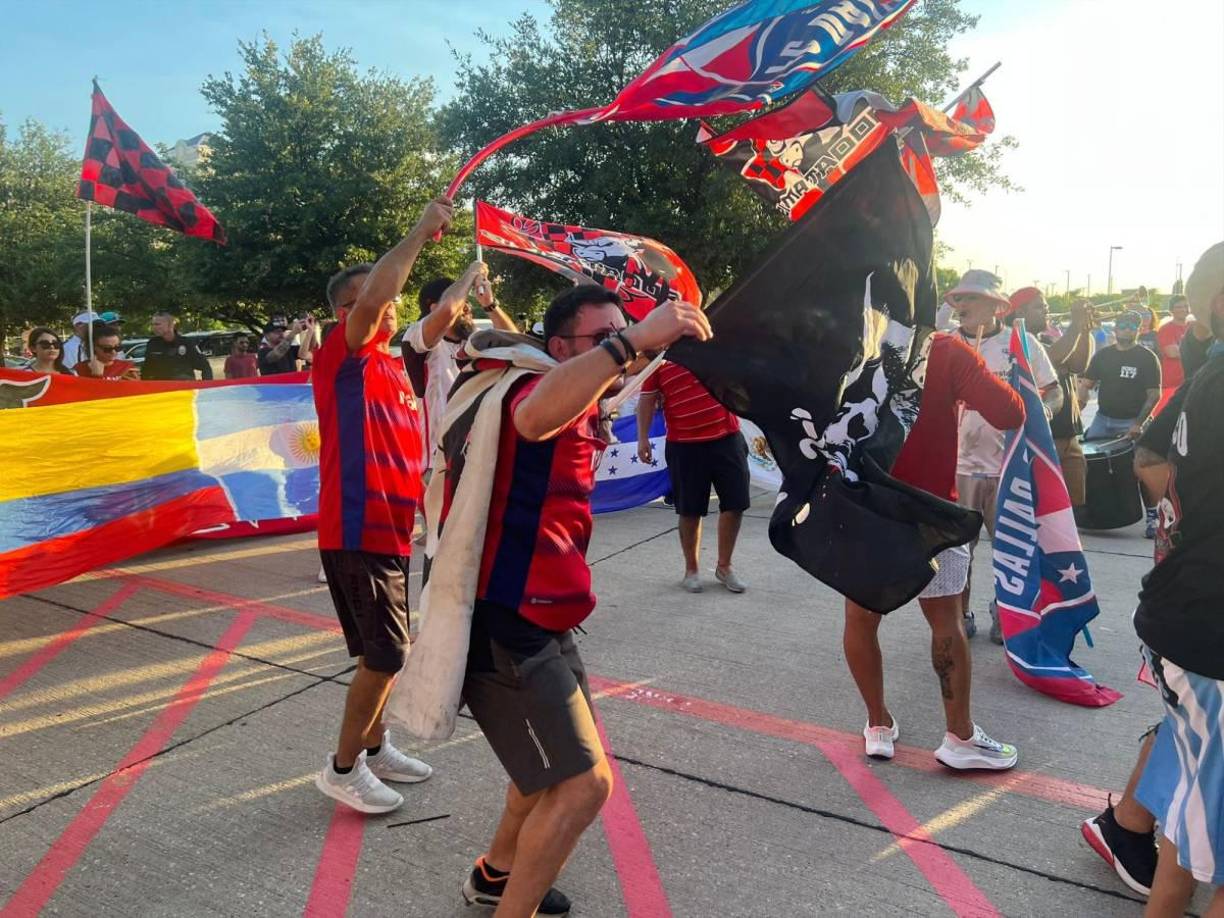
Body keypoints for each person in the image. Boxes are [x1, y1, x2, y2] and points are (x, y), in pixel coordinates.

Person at [450, 285, 710, 917]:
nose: (618, 347)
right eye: (603, 338)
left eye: (621, 332)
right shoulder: (521, 387)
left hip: (550, 609)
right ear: (561, 346)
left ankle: (495, 876)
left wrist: (641, 349)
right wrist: (633, 342)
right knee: (583, 785)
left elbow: (592, 396)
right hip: (508, 617)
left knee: (546, 769)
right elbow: (534, 417)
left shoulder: (577, 386)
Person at [310, 198, 453, 814]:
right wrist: (419, 232)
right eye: (377, 299)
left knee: (383, 652)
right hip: (357, 527)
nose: (390, 305)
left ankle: (374, 747)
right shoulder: (342, 359)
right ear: (348, 311)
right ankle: (342, 768)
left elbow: (434, 324)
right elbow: (374, 300)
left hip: (393, 530)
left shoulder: (393, 369)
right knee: (386, 653)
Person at [845, 332, 1024, 767]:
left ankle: (878, 725)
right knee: (946, 618)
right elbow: (1009, 412)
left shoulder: (849, 340)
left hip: (865, 506)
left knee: (861, 618)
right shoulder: (944, 348)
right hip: (930, 509)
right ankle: (959, 737)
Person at [1129, 242, 1224, 916]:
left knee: (1194, 815)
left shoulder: (1205, 378)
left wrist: (1191, 512)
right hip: (1208, 630)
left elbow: (1148, 455)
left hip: (1185, 620)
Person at [946, 269, 1061, 643]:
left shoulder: (1021, 343)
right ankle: (960, 613)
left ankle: (1007, 613)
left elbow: (1054, 392)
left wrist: (1041, 416)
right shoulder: (944, 344)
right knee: (957, 551)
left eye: (971, 298)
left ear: (996, 306)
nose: (962, 305)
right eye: (959, 299)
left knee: (1011, 549)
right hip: (958, 468)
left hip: (1010, 468)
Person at [635, 361, 750, 593]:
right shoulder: (661, 360)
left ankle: (724, 567)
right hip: (684, 446)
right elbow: (646, 399)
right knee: (690, 510)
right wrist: (642, 438)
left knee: (735, 504)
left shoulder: (713, 349)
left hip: (727, 437)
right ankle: (691, 570)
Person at [401, 272, 518, 466]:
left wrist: (489, 304)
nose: (467, 307)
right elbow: (447, 312)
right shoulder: (416, 340)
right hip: (437, 464)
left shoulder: (473, 340)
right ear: (434, 308)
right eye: (460, 301)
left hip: (475, 460)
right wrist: (472, 270)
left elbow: (516, 345)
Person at [1079, 310, 1163, 536]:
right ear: (1115, 328)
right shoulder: (1103, 356)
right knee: (1084, 462)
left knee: (1141, 467)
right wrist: (1078, 406)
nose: (1127, 328)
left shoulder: (1146, 357)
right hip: (1103, 419)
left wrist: (1138, 423)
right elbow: (1085, 384)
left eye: (1132, 325)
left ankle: (1153, 516)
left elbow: (1154, 395)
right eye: (1123, 324)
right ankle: (1087, 511)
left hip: (1132, 421)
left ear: (1139, 329)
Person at [1008, 289, 1093, 508]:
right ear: (1020, 311)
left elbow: (1078, 365)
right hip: (1044, 438)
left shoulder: (1046, 340)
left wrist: (1084, 329)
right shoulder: (1016, 343)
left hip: (1069, 435)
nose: (1047, 311)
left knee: (1071, 507)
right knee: (1044, 508)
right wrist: (1074, 326)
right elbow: (1055, 358)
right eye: (1040, 306)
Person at [141, 312, 214, 381]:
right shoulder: (152, 344)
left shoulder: (186, 343)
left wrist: (206, 387)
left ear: (171, 325)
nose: (154, 327)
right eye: (152, 324)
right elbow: (146, 371)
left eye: (157, 324)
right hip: (162, 390)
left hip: (183, 390)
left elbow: (205, 366)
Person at [1155, 295, 1191, 398]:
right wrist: (1197, 350)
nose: (1183, 309)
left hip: (1191, 381)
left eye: (1186, 306)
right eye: (1179, 307)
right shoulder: (1166, 329)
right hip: (1171, 382)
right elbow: (1172, 353)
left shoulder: (1193, 327)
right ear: (1171, 310)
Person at [73, 325, 139, 379]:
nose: (113, 352)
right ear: (94, 347)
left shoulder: (127, 367)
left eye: (117, 347)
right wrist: (96, 376)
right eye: (107, 348)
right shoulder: (79, 369)